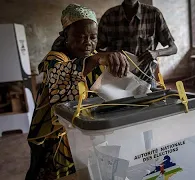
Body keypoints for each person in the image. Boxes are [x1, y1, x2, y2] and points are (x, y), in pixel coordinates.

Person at [25, 4, 129, 180]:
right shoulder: (55, 59)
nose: (88, 42)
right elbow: (59, 75)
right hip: (56, 140)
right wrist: (94, 60)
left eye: (93, 37)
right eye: (80, 37)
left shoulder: (93, 56)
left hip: (82, 135)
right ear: (65, 36)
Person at [97, 0, 177, 88]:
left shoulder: (154, 14)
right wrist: (111, 56)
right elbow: (97, 50)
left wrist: (156, 53)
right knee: (118, 102)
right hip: (116, 81)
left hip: (147, 80)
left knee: (149, 101)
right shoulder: (109, 16)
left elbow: (173, 48)